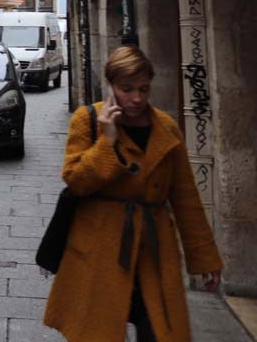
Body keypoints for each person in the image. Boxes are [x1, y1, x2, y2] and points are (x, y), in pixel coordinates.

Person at [43, 46, 223, 342]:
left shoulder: (167, 128)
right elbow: (76, 181)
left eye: (143, 89)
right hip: (100, 250)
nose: (137, 98)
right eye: (127, 89)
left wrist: (205, 259)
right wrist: (107, 141)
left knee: (160, 331)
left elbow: (186, 198)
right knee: (97, 333)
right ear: (111, 86)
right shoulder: (87, 121)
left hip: (154, 252)